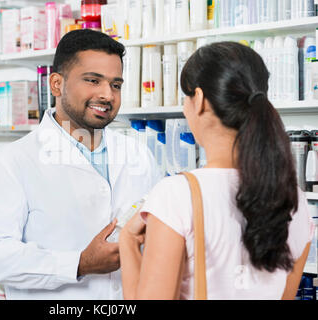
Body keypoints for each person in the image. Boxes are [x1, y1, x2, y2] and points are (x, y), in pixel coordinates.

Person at [0, 29, 163, 300]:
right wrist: (79, 263)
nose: (107, 95)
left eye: (116, 84)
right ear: (57, 84)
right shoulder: (11, 163)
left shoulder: (138, 155)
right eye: (93, 80)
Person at [119, 41, 314, 300]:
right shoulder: (295, 201)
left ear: (198, 100)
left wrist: (128, 242)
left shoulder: (176, 195)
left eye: (185, 98)